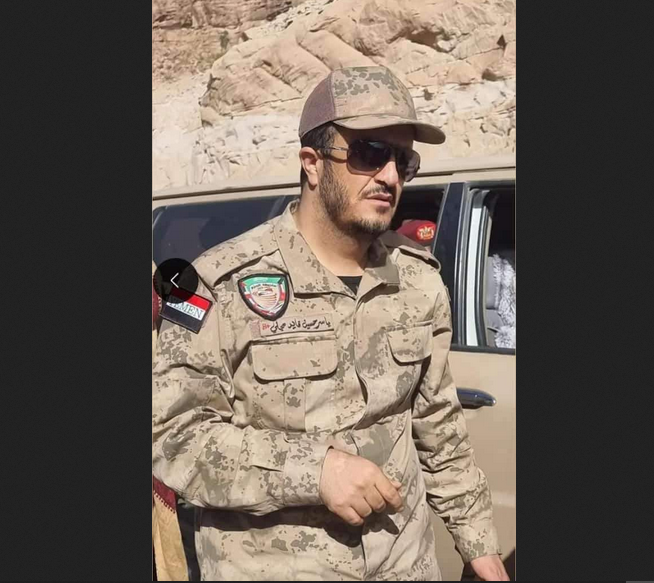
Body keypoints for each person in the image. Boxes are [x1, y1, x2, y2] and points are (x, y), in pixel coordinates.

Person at [152, 65, 509, 581]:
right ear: (312, 163)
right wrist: (314, 469)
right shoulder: (215, 284)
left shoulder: (418, 280)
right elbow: (172, 436)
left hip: (404, 565)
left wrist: (480, 546)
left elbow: (438, 425)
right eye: (369, 152)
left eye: (403, 160)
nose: (390, 176)